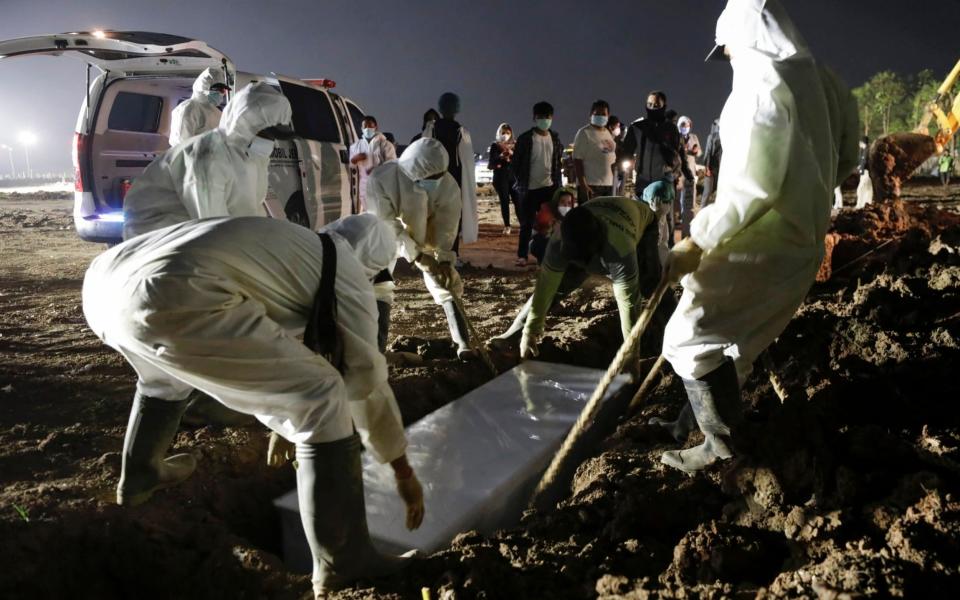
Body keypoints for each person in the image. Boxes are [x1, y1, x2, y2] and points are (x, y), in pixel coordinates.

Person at [82, 215, 425, 596]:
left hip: (104, 286)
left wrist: (284, 424)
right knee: (321, 396)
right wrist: (402, 469)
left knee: (163, 378)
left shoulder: (294, 248)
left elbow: (277, 349)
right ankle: (344, 561)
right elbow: (366, 381)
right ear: (371, 264)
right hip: (177, 292)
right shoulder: (347, 272)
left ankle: (140, 476)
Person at [655, 0, 859, 475]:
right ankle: (692, 420)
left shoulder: (759, 86)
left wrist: (698, 239)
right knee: (735, 338)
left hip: (759, 241)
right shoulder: (824, 81)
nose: (727, 59)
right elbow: (845, 158)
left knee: (687, 338)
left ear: (740, 39)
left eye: (725, 50)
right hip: (804, 236)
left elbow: (752, 185)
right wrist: (806, 193)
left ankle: (720, 448)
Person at [123, 82, 294, 240]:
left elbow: (250, 213)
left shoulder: (251, 159)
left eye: (274, 136)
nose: (269, 141)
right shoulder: (207, 155)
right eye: (265, 134)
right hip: (156, 240)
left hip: (192, 239)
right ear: (245, 124)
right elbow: (212, 226)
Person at [366, 138, 477, 359]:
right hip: (386, 237)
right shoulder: (382, 179)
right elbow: (387, 224)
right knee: (380, 283)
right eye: (429, 178)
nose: (435, 181)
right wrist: (416, 255)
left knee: (446, 283)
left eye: (438, 177)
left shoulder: (448, 186)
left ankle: (463, 343)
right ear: (411, 171)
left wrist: (444, 259)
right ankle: (376, 349)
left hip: (426, 234)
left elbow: (447, 225)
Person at [510, 196, 658, 358]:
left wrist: (630, 356)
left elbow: (628, 303)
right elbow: (546, 285)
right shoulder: (559, 241)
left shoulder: (620, 249)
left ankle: (669, 332)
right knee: (560, 285)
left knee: (650, 285)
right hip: (598, 218)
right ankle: (513, 334)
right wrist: (530, 330)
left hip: (642, 223)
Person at [623, 91, 693, 248]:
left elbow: (678, 154)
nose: (652, 107)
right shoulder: (638, 128)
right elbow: (625, 151)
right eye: (649, 105)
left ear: (664, 106)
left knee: (661, 222)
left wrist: (679, 174)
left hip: (662, 182)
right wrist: (620, 160)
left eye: (656, 105)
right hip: (642, 181)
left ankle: (663, 254)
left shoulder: (671, 129)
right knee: (642, 218)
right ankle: (645, 254)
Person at [512, 101, 563, 267]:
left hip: (549, 188)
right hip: (528, 189)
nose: (544, 120)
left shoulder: (554, 139)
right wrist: (520, 181)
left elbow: (557, 163)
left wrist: (558, 186)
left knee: (547, 224)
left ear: (552, 118)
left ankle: (544, 256)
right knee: (526, 223)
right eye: (541, 117)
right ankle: (522, 255)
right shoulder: (526, 138)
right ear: (534, 118)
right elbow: (516, 163)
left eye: (547, 117)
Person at [168, 67, 230, 146]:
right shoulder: (188, 108)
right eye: (219, 90)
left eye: (223, 91)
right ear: (205, 88)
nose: (222, 94)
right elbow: (181, 145)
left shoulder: (215, 112)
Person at [573, 100, 617, 205]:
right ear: (590, 115)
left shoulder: (607, 133)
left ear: (608, 116)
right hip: (591, 185)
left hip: (609, 185)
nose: (600, 116)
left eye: (603, 114)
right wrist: (583, 185)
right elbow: (577, 160)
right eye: (597, 114)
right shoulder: (584, 133)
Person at [349, 115, 397, 212]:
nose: (367, 129)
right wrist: (355, 159)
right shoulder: (356, 146)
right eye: (365, 126)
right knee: (366, 215)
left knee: (381, 215)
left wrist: (377, 170)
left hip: (382, 186)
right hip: (364, 187)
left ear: (376, 127)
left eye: (370, 126)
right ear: (361, 128)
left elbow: (392, 165)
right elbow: (351, 165)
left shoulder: (386, 145)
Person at [641, 169, 678, 267]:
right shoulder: (665, 185)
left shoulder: (652, 189)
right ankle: (666, 267)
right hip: (666, 202)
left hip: (657, 201)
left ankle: (656, 268)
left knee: (657, 236)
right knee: (663, 240)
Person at [488, 123, 519, 234]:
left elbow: (520, 160)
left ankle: (522, 224)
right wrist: (500, 157)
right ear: (499, 133)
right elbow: (491, 163)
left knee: (518, 201)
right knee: (504, 201)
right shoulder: (495, 146)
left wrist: (512, 154)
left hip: (513, 177)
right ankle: (507, 225)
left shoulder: (515, 145)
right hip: (501, 178)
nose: (505, 135)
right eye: (503, 133)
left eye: (508, 133)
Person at [529, 187, 574, 263]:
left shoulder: (574, 216)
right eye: (562, 202)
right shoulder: (546, 213)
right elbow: (534, 234)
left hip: (563, 246)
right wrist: (550, 229)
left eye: (569, 203)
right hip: (542, 242)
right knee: (543, 243)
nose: (566, 206)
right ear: (556, 202)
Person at [677, 116, 701, 237]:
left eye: (687, 125)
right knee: (677, 203)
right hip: (678, 173)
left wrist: (695, 151)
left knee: (688, 203)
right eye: (683, 125)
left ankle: (687, 233)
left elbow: (699, 152)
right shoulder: (676, 137)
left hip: (690, 172)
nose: (685, 128)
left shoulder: (694, 137)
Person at [700, 119, 723, 208]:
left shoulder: (725, 137)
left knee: (718, 193)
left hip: (720, 169)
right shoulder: (711, 137)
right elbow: (708, 153)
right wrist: (707, 168)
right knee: (707, 192)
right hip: (711, 168)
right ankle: (702, 212)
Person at [608, 116, 626, 195]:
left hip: (620, 170)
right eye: (618, 127)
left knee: (619, 190)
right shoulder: (608, 141)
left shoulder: (622, 144)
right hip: (610, 171)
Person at [855, 136, 873, 208]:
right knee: (867, 189)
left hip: (866, 172)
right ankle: (866, 203)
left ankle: (861, 204)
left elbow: (865, 161)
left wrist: (861, 167)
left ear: (862, 142)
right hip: (864, 172)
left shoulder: (867, 150)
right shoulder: (864, 150)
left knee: (861, 189)